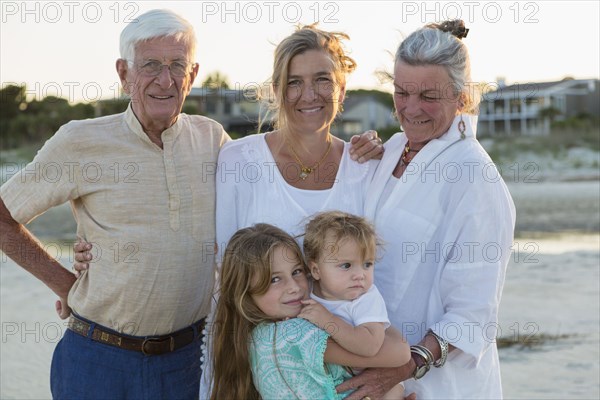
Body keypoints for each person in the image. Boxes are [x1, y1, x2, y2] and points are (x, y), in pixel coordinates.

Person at [0, 9, 230, 398]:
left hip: (191, 361)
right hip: (98, 360)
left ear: (192, 75)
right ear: (124, 74)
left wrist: (363, 155)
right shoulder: (80, 141)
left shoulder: (213, 139)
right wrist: (66, 285)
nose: (165, 79)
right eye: (150, 65)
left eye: (178, 65)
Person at [199, 24, 383, 397]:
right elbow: (225, 278)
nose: (309, 95)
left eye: (322, 80)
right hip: (257, 369)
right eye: (294, 82)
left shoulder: (365, 166)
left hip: (345, 376)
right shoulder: (239, 161)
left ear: (342, 89)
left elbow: (375, 281)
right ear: (277, 91)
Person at [339, 20, 516, 399]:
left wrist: (397, 372)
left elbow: (473, 316)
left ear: (462, 97)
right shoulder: (389, 152)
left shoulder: (475, 178)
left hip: (437, 386)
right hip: (375, 378)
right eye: (402, 92)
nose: (411, 108)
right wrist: (355, 159)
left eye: (429, 96)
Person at [209, 223, 410, 400]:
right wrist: (372, 307)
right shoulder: (293, 335)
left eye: (297, 272)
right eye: (274, 279)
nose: (294, 287)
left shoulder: (257, 334)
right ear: (245, 292)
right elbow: (400, 353)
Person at [301, 210, 405, 399]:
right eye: (346, 266)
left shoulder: (366, 298)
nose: (360, 275)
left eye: (367, 264)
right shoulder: (307, 290)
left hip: (376, 383)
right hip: (334, 382)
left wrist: (327, 319)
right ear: (316, 270)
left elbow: (370, 346)